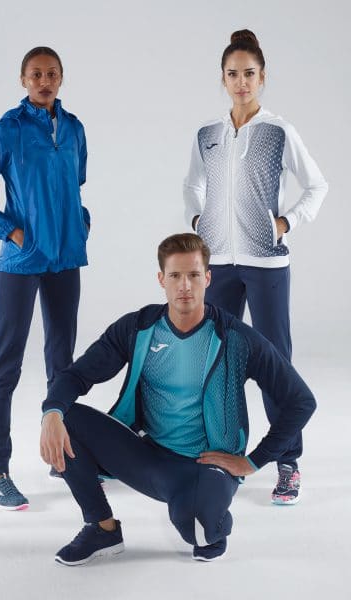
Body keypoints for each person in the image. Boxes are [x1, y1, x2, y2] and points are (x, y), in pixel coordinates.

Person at [39, 233, 315, 565]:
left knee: (201, 536)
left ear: (208, 278)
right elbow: (75, 376)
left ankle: (208, 513)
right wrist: (51, 412)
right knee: (64, 419)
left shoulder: (236, 338)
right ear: (162, 280)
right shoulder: (138, 328)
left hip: (209, 464)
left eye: (194, 275)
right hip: (149, 457)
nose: (185, 285)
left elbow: (300, 400)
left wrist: (254, 461)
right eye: (175, 276)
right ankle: (102, 527)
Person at [183, 29, 327, 504]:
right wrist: (199, 221)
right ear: (222, 79)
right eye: (232, 74)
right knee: (220, 361)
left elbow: (317, 186)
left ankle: (288, 462)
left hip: (265, 263)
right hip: (219, 265)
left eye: (249, 74)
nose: (241, 82)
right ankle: (227, 456)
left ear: (262, 77)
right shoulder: (209, 133)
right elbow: (193, 185)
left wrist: (284, 223)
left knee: (274, 364)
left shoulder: (279, 131)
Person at [0, 47, 90, 510]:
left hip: (66, 261)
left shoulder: (74, 129)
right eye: (36, 74)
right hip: (21, 262)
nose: (45, 80)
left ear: (62, 78)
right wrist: (11, 232)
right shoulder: (8, 130)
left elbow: (75, 185)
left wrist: (80, 224)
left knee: (62, 361)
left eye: (52, 73)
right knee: (7, 365)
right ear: (23, 79)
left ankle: (62, 457)